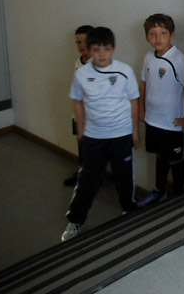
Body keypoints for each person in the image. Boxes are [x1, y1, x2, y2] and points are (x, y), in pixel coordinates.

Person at [62, 27, 140, 241]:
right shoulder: (82, 74)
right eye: (96, 49)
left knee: (124, 177)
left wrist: (135, 131)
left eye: (106, 49)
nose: (102, 54)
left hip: (121, 135)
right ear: (89, 51)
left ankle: (128, 210)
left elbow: (134, 101)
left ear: (113, 49)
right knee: (87, 181)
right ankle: (75, 221)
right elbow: (77, 103)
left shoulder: (124, 71)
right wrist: (81, 132)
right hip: (93, 137)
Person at [137, 14, 184, 206]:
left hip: (171, 122)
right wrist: (141, 109)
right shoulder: (148, 57)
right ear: (147, 37)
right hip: (152, 119)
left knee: (175, 159)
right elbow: (143, 84)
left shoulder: (178, 59)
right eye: (152, 34)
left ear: (172, 35)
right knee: (159, 156)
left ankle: (178, 194)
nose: (157, 38)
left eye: (163, 33)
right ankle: (158, 190)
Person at [64, 25, 94, 186]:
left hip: (92, 115)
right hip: (78, 113)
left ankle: (93, 176)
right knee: (81, 145)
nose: (81, 45)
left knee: (93, 148)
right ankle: (83, 173)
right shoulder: (78, 62)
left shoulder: (98, 63)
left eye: (85, 41)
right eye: (78, 42)